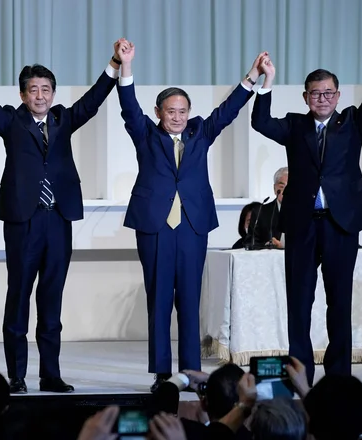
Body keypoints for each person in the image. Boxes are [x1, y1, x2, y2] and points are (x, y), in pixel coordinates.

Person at [251, 34, 362, 386]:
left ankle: (339, 376)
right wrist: (265, 82)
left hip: (341, 224)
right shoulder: (296, 125)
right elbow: (261, 123)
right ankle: (299, 375)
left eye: (328, 93)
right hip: (300, 225)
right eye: (315, 93)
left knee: (339, 302)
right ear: (306, 97)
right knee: (298, 303)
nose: (322, 99)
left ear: (338, 96)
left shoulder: (352, 122)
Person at [0, 41, 122, 394]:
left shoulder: (63, 119)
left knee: (52, 299)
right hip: (23, 221)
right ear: (22, 94)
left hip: (57, 219)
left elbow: (93, 100)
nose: (40, 95)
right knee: (18, 295)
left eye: (46, 89)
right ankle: (16, 376)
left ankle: (50, 374)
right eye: (33, 89)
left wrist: (114, 63)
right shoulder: (11, 121)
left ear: (53, 93)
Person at [115, 38, 267, 392]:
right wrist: (125, 66)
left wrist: (253, 76)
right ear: (159, 112)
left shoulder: (200, 134)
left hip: (192, 226)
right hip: (154, 226)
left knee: (189, 297)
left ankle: (192, 372)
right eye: (171, 111)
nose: (178, 117)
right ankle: (161, 374)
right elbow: (127, 106)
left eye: (183, 111)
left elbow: (228, 110)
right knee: (159, 300)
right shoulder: (145, 135)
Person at [248, 166, 287, 249]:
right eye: (282, 187)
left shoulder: (306, 213)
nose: (286, 192)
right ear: (275, 188)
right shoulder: (260, 212)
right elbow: (251, 243)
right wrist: (268, 246)